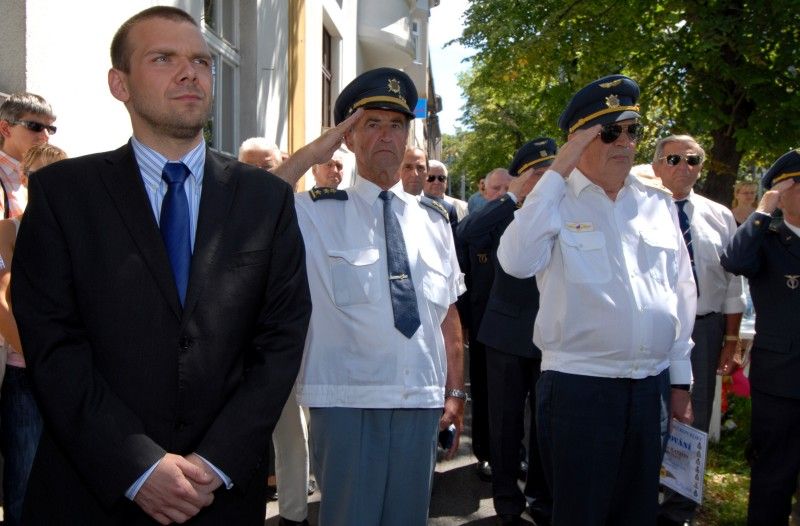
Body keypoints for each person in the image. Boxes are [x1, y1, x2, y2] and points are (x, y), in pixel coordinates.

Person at [11, 7, 312, 524]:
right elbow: (52, 342)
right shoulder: (63, 195)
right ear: (120, 84)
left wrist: (215, 461)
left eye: (201, 60)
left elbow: (281, 340)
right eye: (163, 58)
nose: (189, 72)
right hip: (92, 492)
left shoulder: (266, 200)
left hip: (217, 496)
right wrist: (137, 466)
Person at [497, 75, 696, 525]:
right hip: (580, 388)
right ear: (578, 140)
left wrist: (680, 381)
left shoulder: (656, 203)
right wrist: (556, 173)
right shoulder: (552, 200)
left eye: (632, 131)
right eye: (609, 132)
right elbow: (516, 261)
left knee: (638, 515)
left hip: (650, 388)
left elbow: (681, 292)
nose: (625, 143)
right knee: (580, 515)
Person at [294, 67, 466, 525]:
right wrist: (314, 151)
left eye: (396, 124)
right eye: (371, 124)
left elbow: (448, 314)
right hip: (346, 399)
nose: (387, 135)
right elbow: (250, 204)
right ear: (348, 138)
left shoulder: (434, 220)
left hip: (420, 399)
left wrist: (454, 391)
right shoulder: (314, 213)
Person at [459, 138, 557, 526]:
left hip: (552, 334)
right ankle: (507, 502)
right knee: (505, 423)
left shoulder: (562, 207)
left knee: (546, 425)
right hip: (506, 335)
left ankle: (542, 499)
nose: (544, 181)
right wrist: (512, 195)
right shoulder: (504, 212)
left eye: (550, 173)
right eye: (536, 174)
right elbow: (467, 232)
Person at [652, 134, 745, 526]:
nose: (683, 167)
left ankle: (679, 507)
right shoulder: (639, 209)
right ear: (656, 165)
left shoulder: (719, 216)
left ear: (701, 167)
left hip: (704, 331)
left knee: (693, 418)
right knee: (648, 415)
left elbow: (733, 284)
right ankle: (640, 499)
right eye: (673, 159)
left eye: (692, 159)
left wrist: (731, 340)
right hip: (653, 330)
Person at [721, 149, 800, 526]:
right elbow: (734, 261)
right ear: (780, 194)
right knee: (773, 478)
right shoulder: (767, 239)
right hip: (781, 380)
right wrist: (763, 209)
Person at [237, 139, 313, 526]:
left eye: (266, 166)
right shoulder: (231, 213)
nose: (259, 175)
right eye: (250, 167)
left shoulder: (309, 211)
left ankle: (294, 514)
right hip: (245, 345)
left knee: (294, 432)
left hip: (296, 342)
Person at [0, 143, 66, 526]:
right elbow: (1, 303)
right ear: (24, 180)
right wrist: (40, 356)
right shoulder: (8, 231)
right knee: (23, 484)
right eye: (39, 178)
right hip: (26, 374)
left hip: (71, 376)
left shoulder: (78, 234)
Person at [454, 166, 512, 482]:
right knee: (486, 391)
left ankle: (517, 454)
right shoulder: (472, 227)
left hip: (520, 327)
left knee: (518, 397)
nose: (502, 195)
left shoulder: (525, 223)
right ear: (483, 191)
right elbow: (462, 279)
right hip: (483, 326)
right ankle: (486, 453)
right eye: (496, 189)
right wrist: (462, 324)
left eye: (507, 189)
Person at [0, 92, 56, 219]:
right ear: (5, 129)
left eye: (50, 129)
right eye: (35, 126)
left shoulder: (44, 173)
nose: (46, 135)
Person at [423, 159, 459, 230]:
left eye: (441, 178)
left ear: (446, 182)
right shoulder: (412, 204)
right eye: (431, 178)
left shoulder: (458, 207)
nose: (436, 182)